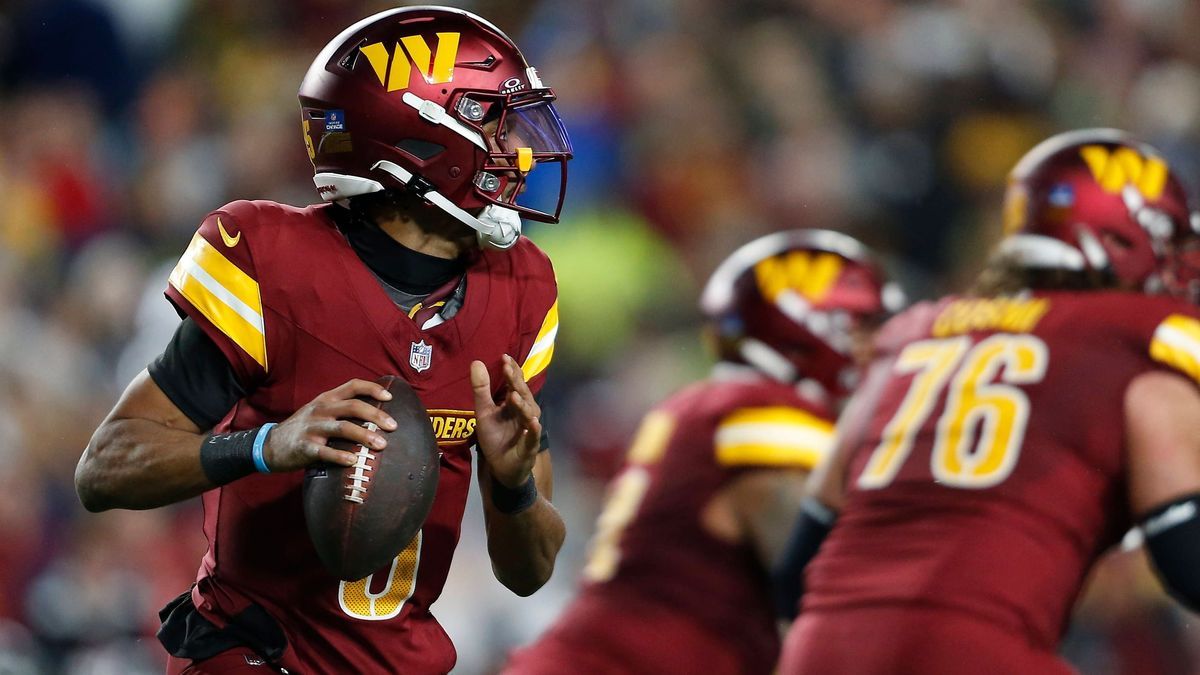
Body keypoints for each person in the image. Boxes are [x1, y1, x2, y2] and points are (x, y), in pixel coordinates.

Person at [73, 7, 573, 674]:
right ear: (415, 139)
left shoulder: (523, 286)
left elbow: (530, 571)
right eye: (493, 120)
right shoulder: (272, 260)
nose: (519, 148)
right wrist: (264, 445)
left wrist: (514, 490)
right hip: (252, 651)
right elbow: (104, 467)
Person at [776, 129, 1200, 674]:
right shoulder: (1133, 347)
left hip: (822, 651)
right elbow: (1188, 561)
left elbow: (797, 567)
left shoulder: (911, 339)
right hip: (970, 651)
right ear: (1122, 241)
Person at [503, 230, 904, 675]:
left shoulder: (707, 406)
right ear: (812, 325)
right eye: (864, 324)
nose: (879, 345)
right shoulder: (766, 415)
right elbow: (827, 592)